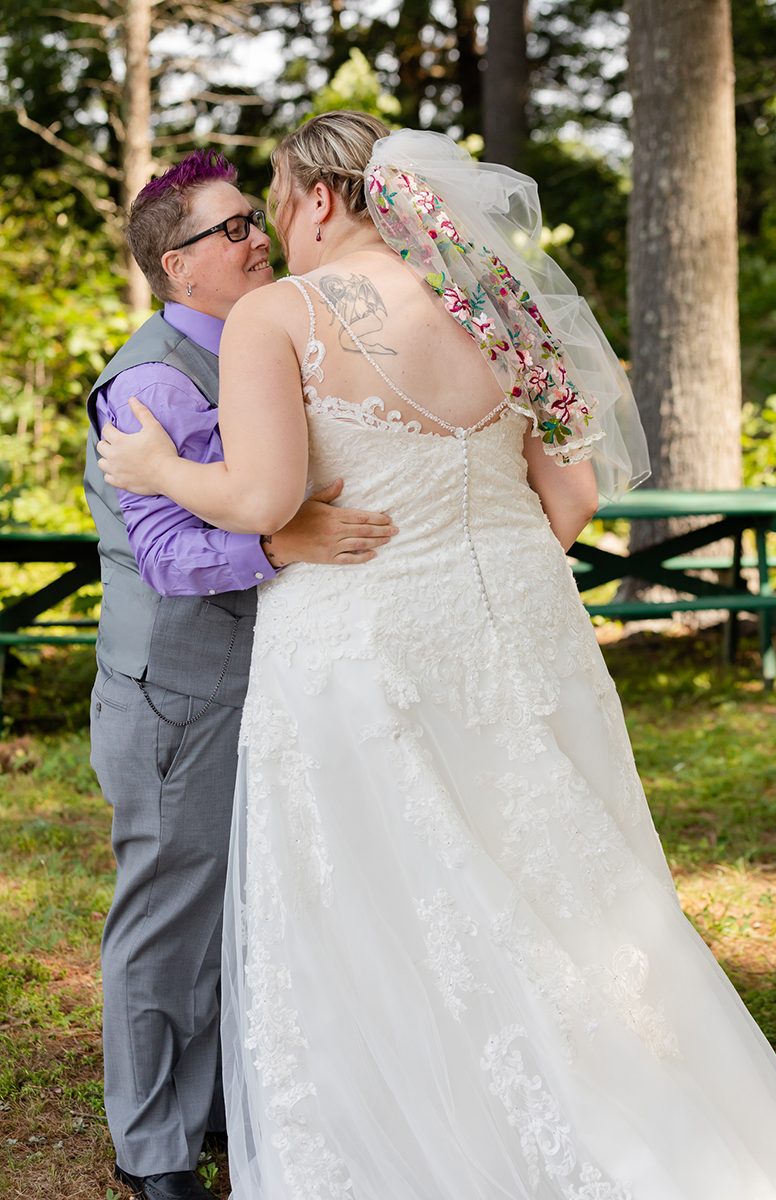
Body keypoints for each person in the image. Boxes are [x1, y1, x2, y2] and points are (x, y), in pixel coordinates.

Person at [97, 113, 776, 1200]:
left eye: (274, 204)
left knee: (383, 895)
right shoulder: (492, 303)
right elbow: (565, 499)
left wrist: (152, 466)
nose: (274, 232)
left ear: (322, 199)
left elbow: (263, 498)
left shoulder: (280, 316)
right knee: (549, 881)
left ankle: (424, 1128)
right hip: (513, 633)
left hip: (359, 646)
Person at [84, 146, 397, 1200]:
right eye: (229, 232)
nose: (255, 236)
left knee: (246, 902)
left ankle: (215, 1103)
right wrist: (285, 542)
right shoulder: (146, 384)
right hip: (177, 692)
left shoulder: (273, 344)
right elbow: (170, 555)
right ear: (178, 268)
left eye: (250, 222)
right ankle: (155, 1148)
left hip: (269, 682)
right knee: (169, 914)